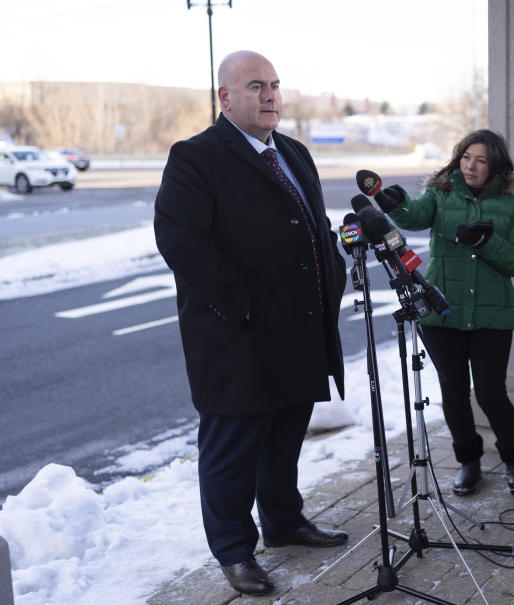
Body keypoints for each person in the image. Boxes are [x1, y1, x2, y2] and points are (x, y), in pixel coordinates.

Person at [154, 50, 348, 597]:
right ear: (225, 97)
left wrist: (330, 274)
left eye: (275, 85)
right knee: (232, 448)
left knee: (286, 433)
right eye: (256, 85)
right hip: (237, 335)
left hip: (299, 328)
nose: (270, 96)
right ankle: (235, 551)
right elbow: (180, 241)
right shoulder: (196, 157)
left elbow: (315, 226)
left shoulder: (293, 152)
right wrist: (242, 305)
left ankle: (283, 520)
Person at [374, 130, 514, 495]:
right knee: (454, 390)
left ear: (495, 165)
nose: (471, 166)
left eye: (480, 160)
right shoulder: (440, 196)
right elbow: (413, 216)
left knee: (491, 393)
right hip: (442, 312)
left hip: (492, 315)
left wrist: (487, 241)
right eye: (466, 157)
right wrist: (394, 203)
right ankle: (469, 462)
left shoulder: (511, 206)